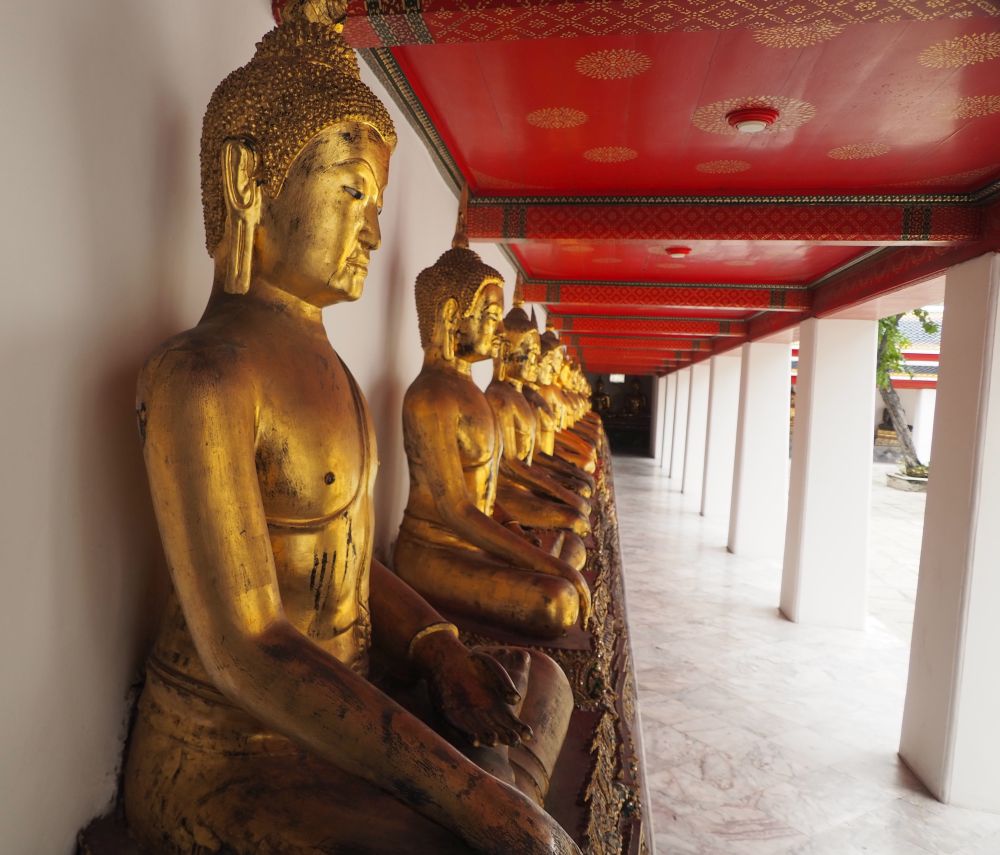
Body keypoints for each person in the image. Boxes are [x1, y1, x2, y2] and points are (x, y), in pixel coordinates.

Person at [123, 4, 578, 852]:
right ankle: (504, 795)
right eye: (353, 192)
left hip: (347, 693)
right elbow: (247, 645)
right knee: (504, 830)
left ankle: (499, 791)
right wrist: (469, 794)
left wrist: (440, 649)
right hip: (231, 749)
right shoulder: (203, 374)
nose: (372, 230)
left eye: (378, 201)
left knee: (543, 680)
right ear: (247, 182)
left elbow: (350, 564)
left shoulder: (328, 367)